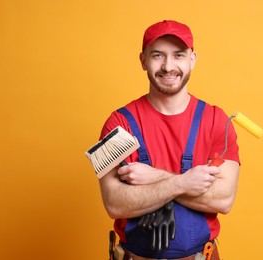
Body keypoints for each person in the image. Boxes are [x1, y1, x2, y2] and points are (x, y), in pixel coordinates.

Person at [98, 20, 240, 260]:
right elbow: (115, 203)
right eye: (157, 55)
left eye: (178, 55)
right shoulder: (118, 124)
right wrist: (185, 183)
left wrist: (155, 177)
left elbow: (224, 199)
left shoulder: (216, 120)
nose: (168, 66)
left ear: (192, 59)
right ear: (143, 60)